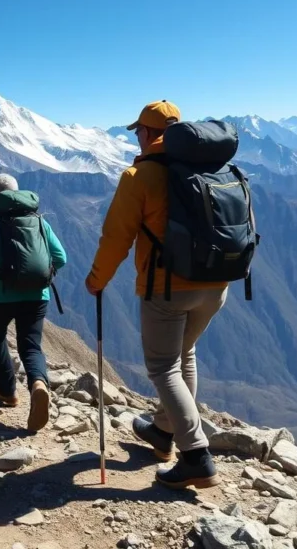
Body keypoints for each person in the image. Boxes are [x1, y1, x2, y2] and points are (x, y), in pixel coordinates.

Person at [85, 100, 227, 489]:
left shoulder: (140, 175)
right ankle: (163, 432)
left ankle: (196, 455)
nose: (137, 136)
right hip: (218, 284)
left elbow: (117, 237)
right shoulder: (210, 167)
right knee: (185, 355)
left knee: (164, 367)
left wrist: (97, 278)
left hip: (167, 288)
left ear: (147, 133)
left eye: (138, 131)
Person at [0, 174, 67, 432]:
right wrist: (41, 277)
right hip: (37, 295)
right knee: (31, 346)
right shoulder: (39, 221)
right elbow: (60, 257)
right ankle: (39, 385)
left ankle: (8, 392)